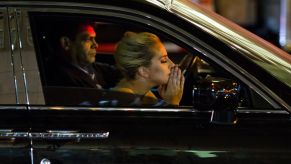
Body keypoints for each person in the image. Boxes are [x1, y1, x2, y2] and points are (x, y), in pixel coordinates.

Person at [112, 32, 184, 106]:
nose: (173, 65)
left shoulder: (144, 94)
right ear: (143, 71)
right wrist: (172, 102)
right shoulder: (124, 99)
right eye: (163, 61)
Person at [46, 21, 121, 89]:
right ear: (66, 43)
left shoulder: (89, 67)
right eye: (88, 39)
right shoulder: (62, 79)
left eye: (94, 39)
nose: (96, 45)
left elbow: (121, 72)